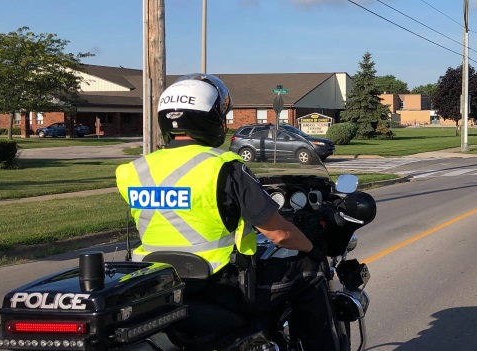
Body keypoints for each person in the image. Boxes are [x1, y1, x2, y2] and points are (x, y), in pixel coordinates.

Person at [114, 74, 339, 350]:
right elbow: (279, 234)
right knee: (310, 271)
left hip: (156, 287)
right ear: (210, 119)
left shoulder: (132, 171)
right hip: (220, 286)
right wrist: (311, 249)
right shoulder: (224, 166)